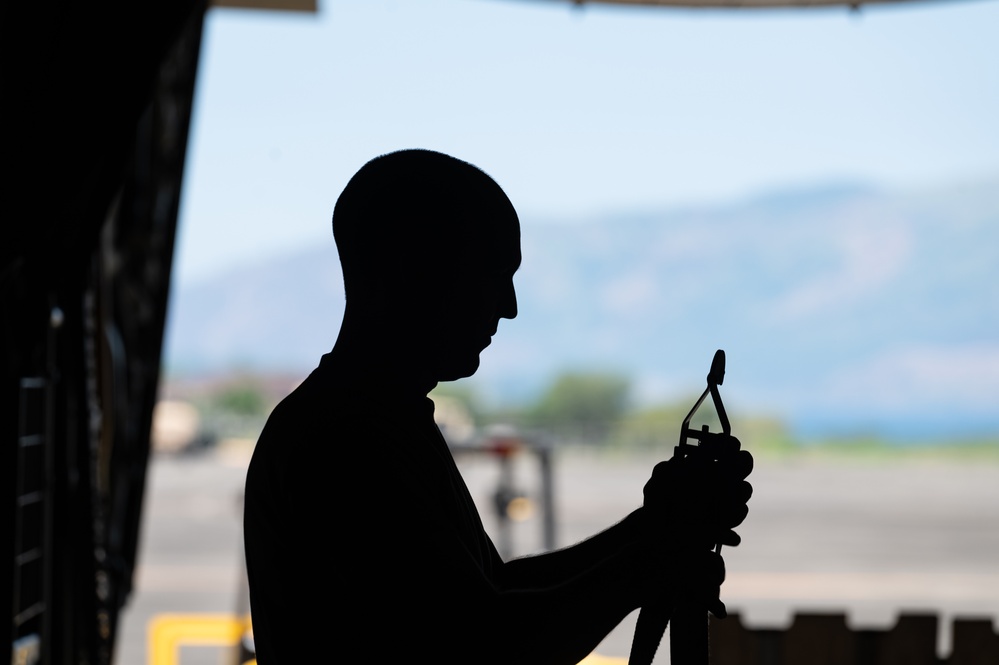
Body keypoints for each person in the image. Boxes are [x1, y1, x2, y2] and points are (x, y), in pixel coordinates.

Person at [243, 149, 752, 664]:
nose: (508, 306)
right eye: (492, 273)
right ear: (414, 270)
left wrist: (648, 530)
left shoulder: (375, 421)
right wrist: (651, 560)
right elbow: (484, 646)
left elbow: (493, 593)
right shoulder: (345, 441)